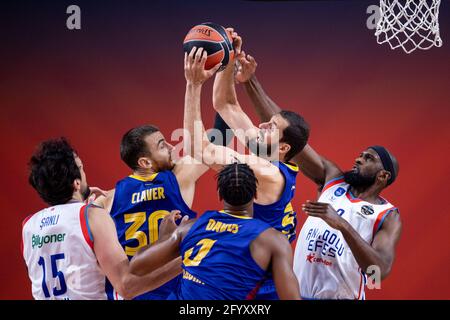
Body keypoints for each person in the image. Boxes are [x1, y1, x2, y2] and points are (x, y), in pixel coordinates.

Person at [233, 51, 402, 300]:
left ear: (383, 177)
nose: (358, 159)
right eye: (360, 154)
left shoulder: (387, 216)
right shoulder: (332, 178)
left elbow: (379, 272)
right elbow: (287, 131)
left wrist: (342, 225)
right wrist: (250, 81)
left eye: (369, 159)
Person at [210, 30, 310, 299]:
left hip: (257, 287)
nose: (262, 124)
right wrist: (229, 57)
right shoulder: (272, 156)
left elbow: (203, 151)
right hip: (254, 274)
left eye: (271, 127)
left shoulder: (269, 173)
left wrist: (193, 83)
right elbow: (225, 104)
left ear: (285, 147)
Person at [22, 138, 180, 300]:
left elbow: (67, 262)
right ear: (76, 183)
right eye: (81, 168)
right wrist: (185, 261)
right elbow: (127, 286)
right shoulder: (92, 215)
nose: (84, 174)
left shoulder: (28, 226)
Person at [129, 163, 301, 300]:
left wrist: (165, 237)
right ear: (255, 195)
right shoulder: (272, 239)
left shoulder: (189, 228)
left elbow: (136, 266)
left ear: (220, 194)